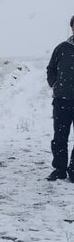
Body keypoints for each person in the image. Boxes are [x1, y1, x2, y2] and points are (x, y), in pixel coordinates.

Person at [46, 15, 74, 182]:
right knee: (60, 137)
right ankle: (59, 169)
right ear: (72, 27)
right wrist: (54, 84)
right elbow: (51, 68)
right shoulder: (62, 48)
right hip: (62, 100)